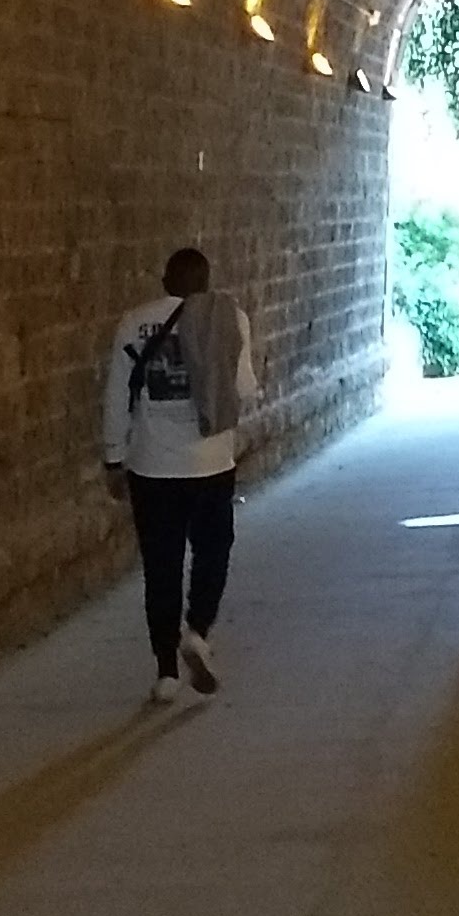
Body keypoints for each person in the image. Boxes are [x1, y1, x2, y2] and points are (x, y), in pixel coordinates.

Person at [101, 246, 261, 703]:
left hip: (152, 468)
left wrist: (113, 458)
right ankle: (198, 631)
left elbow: (117, 396)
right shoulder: (231, 318)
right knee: (213, 551)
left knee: (161, 566)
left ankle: (166, 671)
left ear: (165, 281)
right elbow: (244, 389)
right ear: (206, 283)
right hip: (212, 464)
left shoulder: (134, 322)